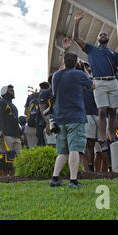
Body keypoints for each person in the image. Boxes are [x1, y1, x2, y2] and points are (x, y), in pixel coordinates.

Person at [73, 12, 118, 150]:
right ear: (98, 39)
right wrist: (76, 22)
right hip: (99, 82)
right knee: (102, 111)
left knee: (112, 111)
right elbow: (76, 38)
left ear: (108, 38)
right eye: (101, 34)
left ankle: (112, 137)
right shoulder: (92, 50)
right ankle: (103, 138)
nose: (103, 35)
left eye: (105, 34)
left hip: (112, 81)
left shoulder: (114, 53)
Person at [49, 53, 94, 188]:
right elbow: (92, 85)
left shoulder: (56, 76)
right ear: (76, 63)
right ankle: (73, 180)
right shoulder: (79, 74)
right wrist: (84, 70)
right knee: (75, 149)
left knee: (62, 151)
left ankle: (55, 178)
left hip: (60, 118)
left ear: (63, 62)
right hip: (75, 117)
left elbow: (61, 70)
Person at [0, 85, 22, 176]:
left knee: (20, 157)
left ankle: (16, 175)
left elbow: (15, 120)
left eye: (13, 90)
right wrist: (0, 130)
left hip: (16, 135)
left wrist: (21, 133)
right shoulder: (1, 103)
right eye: (10, 90)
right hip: (6, 134)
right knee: (6, 157)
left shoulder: (13, 105)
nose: (13, 92)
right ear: (4, 92)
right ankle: (4, 177)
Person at [39, 79, 56, 147]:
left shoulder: (60, 90)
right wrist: (48, 123)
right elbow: (42, 110)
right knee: (52, 145)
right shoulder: (46, 93)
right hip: (51, 121)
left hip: (61, 121)